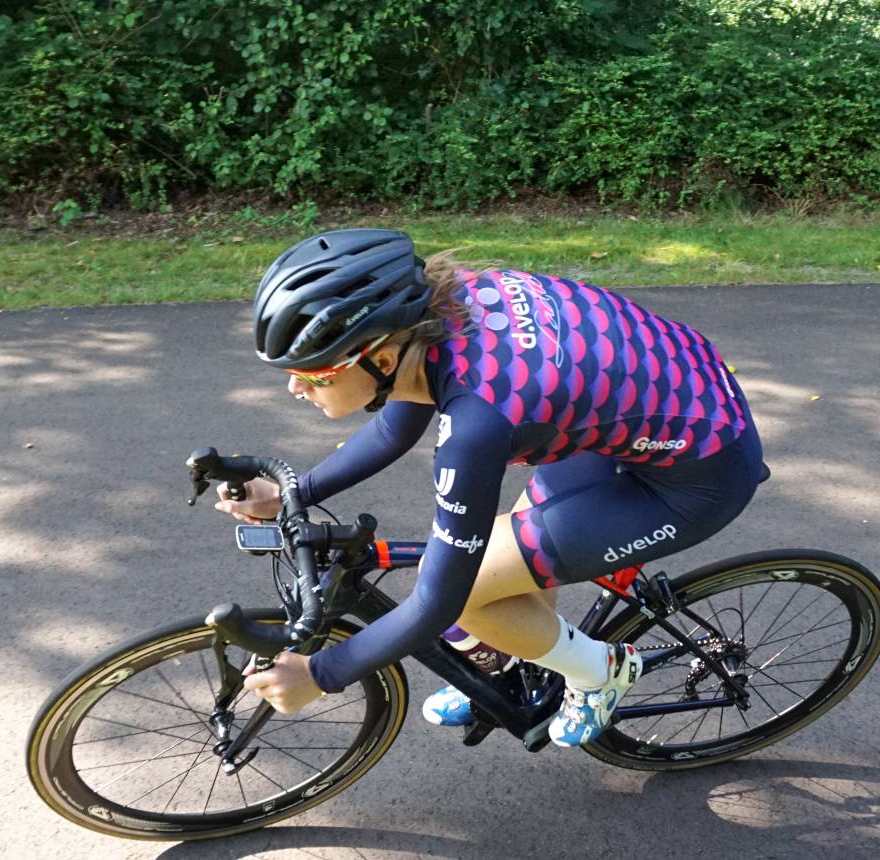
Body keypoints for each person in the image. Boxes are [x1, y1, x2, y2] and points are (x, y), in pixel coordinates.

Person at [224, 228, 764, 748]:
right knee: (509, 572)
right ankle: (527, 655)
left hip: (697, 478)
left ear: (382, 359)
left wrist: (322, 673)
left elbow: (439, 600)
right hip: (665, 409)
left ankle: (601, 671)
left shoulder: (476, 426)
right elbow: (396, 422)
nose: (295, 387)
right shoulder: (443, 306)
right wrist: (296, 492)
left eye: (314, 374)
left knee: (473, 600)